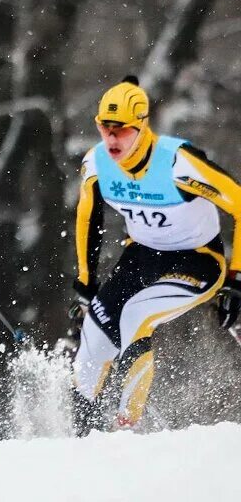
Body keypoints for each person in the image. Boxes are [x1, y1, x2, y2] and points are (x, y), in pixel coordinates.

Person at [70, 76, 241, 434]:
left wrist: (237, 280)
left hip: (197, 260)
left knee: (136, 315)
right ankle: (81, 444)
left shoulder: (177, 162)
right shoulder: (98, 163)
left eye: (122, 130)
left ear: (142, 126)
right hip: (142, 258)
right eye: (105, 127)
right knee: (92, 343)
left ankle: (127, 431)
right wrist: (85, 284)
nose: (112, 139)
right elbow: (88, 217)